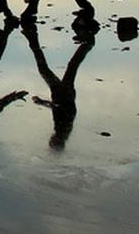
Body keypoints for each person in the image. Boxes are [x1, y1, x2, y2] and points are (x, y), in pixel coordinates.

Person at [21, 21, 95, 151]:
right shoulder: (63, 129)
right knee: (46, 69)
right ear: (56, 141)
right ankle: (32, 38)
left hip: (65, 94)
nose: (50, 139)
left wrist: (45, 103)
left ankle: (87, 44)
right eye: (52, 141)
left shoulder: (64, 131)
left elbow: (59, 110)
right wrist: (42, 102)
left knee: (70, 66)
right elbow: (60, 109)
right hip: (62, 94)